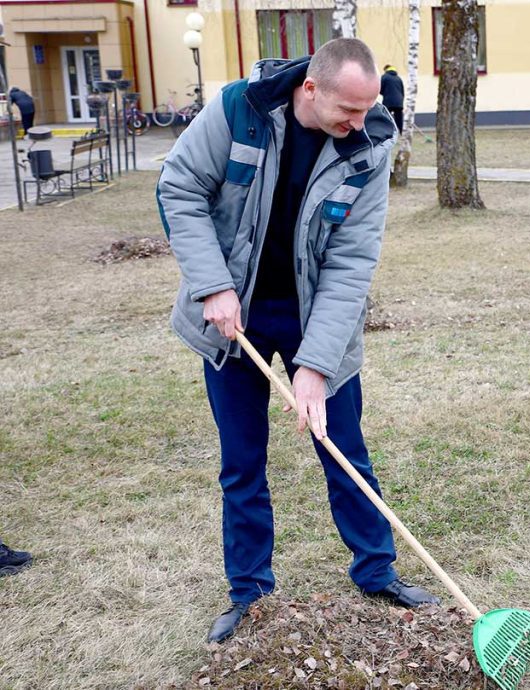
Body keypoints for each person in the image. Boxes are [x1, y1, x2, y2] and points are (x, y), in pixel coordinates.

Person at [157, 38, 438, 645]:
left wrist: (315, 363)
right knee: (242, 460)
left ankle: (376, 570)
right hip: (235, 316)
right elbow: (179, 187)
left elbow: (352, 263)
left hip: (316, 315)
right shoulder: (238, 111)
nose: (359, 125)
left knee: (343, 447)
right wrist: (211, 285)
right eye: (349, 111)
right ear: (310, 89)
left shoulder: (368, 145)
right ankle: (250, 593)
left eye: (367, 111)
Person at [379, 65, 404, 134]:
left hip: (388, 101)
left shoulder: (384, 77)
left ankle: (388, 132)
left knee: (387, 117)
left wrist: (385, 93)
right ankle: (401, 132)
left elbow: (380, 89)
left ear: (386, 70)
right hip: (399, 102)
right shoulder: (398, 78)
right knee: (399, 118)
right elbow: (402, 91)